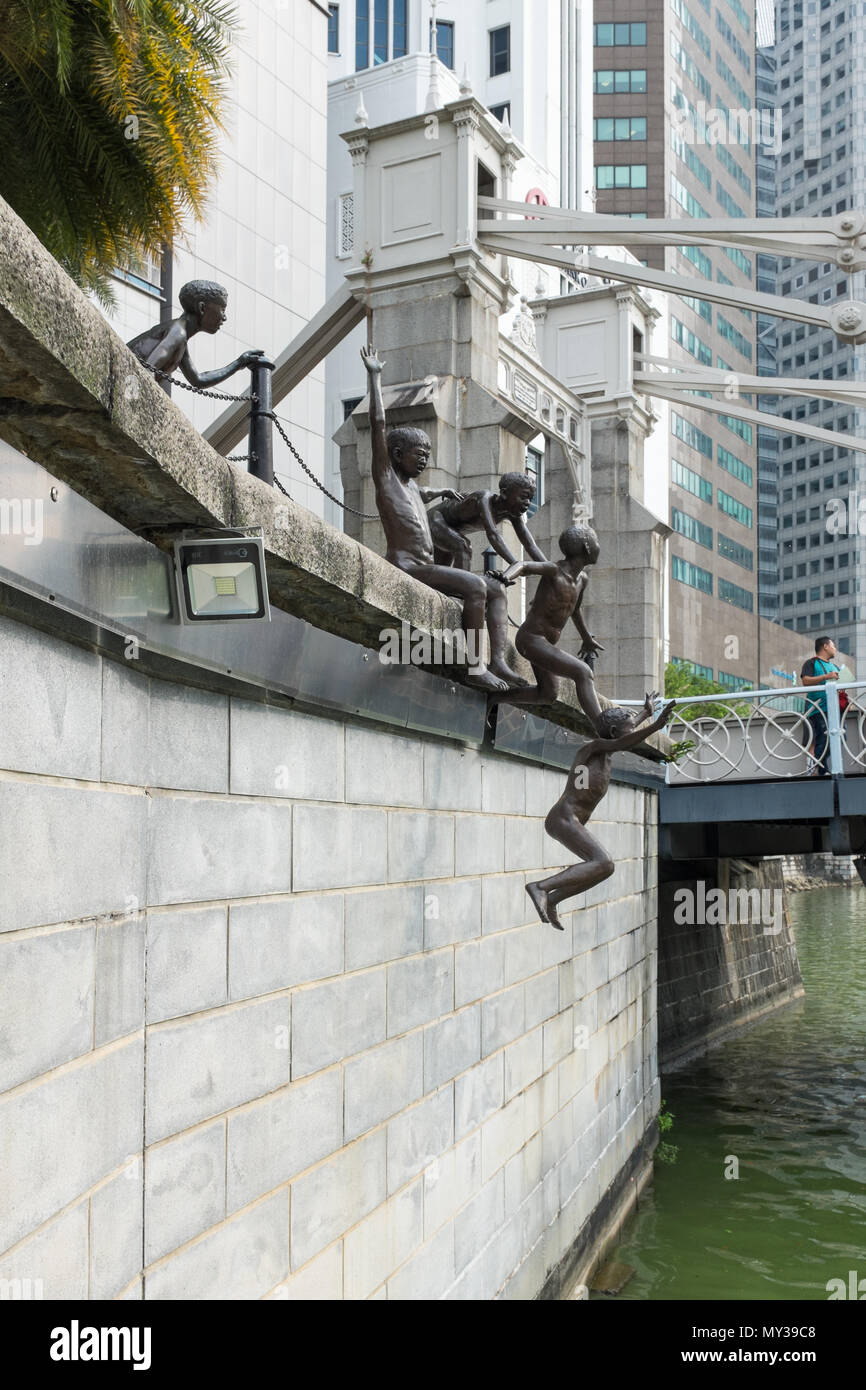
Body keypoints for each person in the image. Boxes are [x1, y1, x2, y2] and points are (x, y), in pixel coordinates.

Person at [360, 346, 508, 693]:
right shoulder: (387, 479)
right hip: (407, 567)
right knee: (473, 585)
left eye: (428, 455)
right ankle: (476, 668)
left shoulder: (413, 488)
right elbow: (378, 425)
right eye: (419, 455)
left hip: (426, 566)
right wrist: (375, 376)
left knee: (495, 589)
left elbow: (424, 495)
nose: (425, 460)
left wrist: (441, 492)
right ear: (397, 455)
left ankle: (498, 659)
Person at [526, 693, 676, 930]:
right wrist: (656, 725)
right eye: (628, 730)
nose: (632, 732)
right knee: (604, 863)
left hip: (570, 820)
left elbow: (624, 732)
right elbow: (623, 740)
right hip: (564, 818)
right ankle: (541, 887)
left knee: (601, 869)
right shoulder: (593, 748)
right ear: (615, 732)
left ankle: (553, 898)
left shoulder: (609, 746)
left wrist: (646, 713)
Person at [427, 474, 546, 686]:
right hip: (436, 521)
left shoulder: (513, 515)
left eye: (530, 499)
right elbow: (493, 534)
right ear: (505, 493)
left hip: (452, 531)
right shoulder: (484, 499)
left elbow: (530, 544)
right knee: (463, 546)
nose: (527, 503)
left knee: (443, 573)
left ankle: (498, 663)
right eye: (524, 497)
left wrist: (550, 569)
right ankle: (464, 594)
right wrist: (516, 564)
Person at [487, 523, 605, 732]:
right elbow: (524, 565)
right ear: (587, 547)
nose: (599, 546)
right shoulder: (554, 570)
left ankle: (495, 698)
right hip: (531, 640)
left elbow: (574, 610)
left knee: (548, 694)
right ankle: (604, 727)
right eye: (596, 541)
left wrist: (586, 638)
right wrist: (506, 577)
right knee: (583, 672)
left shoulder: (582, 580)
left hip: (545, 644)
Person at [127, 279, 265, 388]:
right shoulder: (178, 333)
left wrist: (239, 363)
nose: (224, 317)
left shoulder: (180, 336)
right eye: (222, 309)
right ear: (202, 308)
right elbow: (148, 369)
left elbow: (198, 380)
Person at [800, 635, 840, 776]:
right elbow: (805, 681)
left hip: (835, 710)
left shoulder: (835, 667)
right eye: (833, 645)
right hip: (818, 710)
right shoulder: (811, 663)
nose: (835, 649)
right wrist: (826, 677)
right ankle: (822, 769)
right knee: (823, 738)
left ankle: (816, 762)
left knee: (841, 737)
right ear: (825, 646)